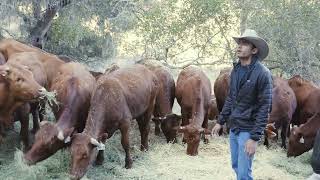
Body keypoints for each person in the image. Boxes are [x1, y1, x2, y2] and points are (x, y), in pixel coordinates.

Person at [212, 29, 273, 180]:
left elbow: (265, 108)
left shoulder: (263, 73)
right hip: (234, 126)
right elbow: (231, 99)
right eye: (239, 43)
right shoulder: (236, 71)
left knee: (244, 173)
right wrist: (220, 122)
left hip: (248, 129)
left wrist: (254, 137)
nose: (239, 46)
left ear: (254, 49)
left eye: (244, 43)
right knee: (236, 166)